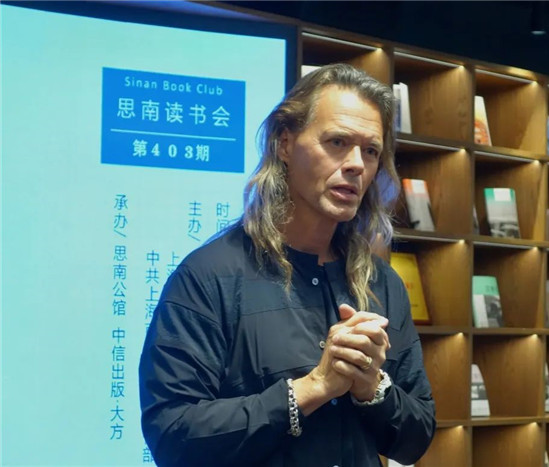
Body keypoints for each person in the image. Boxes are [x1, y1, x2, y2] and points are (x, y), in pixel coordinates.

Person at [139, 63, 436, 467]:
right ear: (284, 143)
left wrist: (372, 389)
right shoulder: (209, 276)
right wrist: (312, 389)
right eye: (337, 142)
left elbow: (416, 438)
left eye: (370, 151)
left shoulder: (381, 282)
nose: (356, 164)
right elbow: (172, 436)